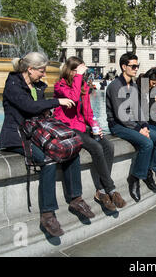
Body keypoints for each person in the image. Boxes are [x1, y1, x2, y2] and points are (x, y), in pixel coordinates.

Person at [0, 52, 94, 237]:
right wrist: (56, 101)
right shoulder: (13, 85)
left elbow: (39, 111)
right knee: (48, 159)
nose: (44, 75)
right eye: (41, 71)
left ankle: (76, 198)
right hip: (16, 136)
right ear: (30, 69)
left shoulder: (37, 85)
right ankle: (47, 214)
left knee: (71, 148)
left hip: (36, 132)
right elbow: (29, 107)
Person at [53, 56, 126, 212]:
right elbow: (72, 98)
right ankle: (111, 189)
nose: (82, 73)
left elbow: (87, 111)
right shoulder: (60, 86)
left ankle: (101, 190)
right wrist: (79, 75)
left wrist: (94, 125)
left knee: (108, 146)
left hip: (80, 126)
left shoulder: (84, 86)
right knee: (95, 147)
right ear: (71, 71)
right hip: (66, 127)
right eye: (79, 70)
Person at [106, 52, 156, 202]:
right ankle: (134, 178)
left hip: (133, 123)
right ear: (123, 66)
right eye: (133, 66)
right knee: (147, 143)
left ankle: (149, 171)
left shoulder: (132, 85)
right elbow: (121, 115)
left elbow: (138, 109)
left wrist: (144, 125)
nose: (136, 69)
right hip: (118, 125)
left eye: (137, 66)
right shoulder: (115, 86)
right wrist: (139, 129)